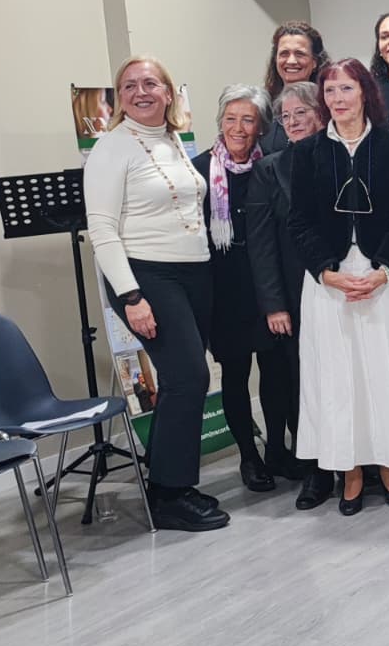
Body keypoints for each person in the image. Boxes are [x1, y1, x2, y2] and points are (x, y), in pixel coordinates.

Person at [287, 58, 389, 514]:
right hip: (330, 281)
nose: (338, 99)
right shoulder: (308, 152)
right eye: (330, 91)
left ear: (365, 94)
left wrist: (384, 270)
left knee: (385, 370)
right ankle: (351, 472)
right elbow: (298, 223)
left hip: (385, 276)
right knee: (340, 377)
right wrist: (326, 272)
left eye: (346, 89)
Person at [84, 56, 227, 532]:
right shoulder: (112, 148)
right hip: (146, 277)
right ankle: (170, 495)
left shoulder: (171, 139)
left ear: (168, 92)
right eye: (129, 86)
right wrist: (130, 297)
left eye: (150, 83)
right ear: (119, 98)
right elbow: (102, 229)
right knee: (189, 378)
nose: (140, 92)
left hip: (194, 273)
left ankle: (169, 485)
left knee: (181, 380)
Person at [191, 85, 284, 493]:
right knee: (235, 373)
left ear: (261, 127)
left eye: (248, 120)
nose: (239, 128)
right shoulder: (198, 171)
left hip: (268, 284)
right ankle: (249, 455)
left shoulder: (273, 167)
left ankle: (278, 449)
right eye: (231, 119)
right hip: (223, 287)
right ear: (220, 122)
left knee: (276, 371)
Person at [245, 81, 325, 506]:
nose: (292, 123)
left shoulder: (344, 158)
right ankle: (316, 470)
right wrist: (274, 304)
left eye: (301, 113)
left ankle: (360, 464)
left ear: (321, 113)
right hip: (294, 295)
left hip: (345, 290)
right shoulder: (269, 170)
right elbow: (261, 245)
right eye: (285, 116)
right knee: (302, 383)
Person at [260, 22, 328, 153]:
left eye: (299, 54)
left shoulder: (330, 104)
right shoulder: (263, 108)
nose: (291, 61)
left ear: (314, 62)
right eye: (284, 54)